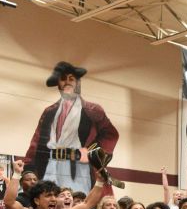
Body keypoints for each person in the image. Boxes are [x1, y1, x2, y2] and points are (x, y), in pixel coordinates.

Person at [24, 61, 119, 194]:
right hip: (51, 165)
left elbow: (110, 134)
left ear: (77, 83)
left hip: (79, 166)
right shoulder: (49, 111)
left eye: (71, 79)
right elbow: (37, 141)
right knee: (49, 200)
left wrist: (93, 152)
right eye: (63, 79)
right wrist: (28, 167)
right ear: (58, 84)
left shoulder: (92, 110)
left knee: (79, 201)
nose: (67, 82)